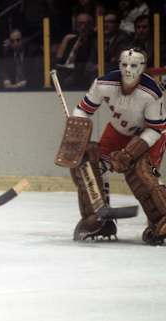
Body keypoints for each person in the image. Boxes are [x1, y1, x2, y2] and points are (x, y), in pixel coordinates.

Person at [70, 47, 166, 245]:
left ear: (142, 68)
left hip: (148, 135)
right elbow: (82, 110)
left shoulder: (152, 93)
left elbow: (155, 129)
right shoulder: (103, 83)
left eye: (134, 65)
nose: (128, 69)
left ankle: (160, 219)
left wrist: (130, 154)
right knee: (87, 163)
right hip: (117, 132)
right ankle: (97, 218)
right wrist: (82, 138)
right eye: (124, 64)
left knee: (143, 174)